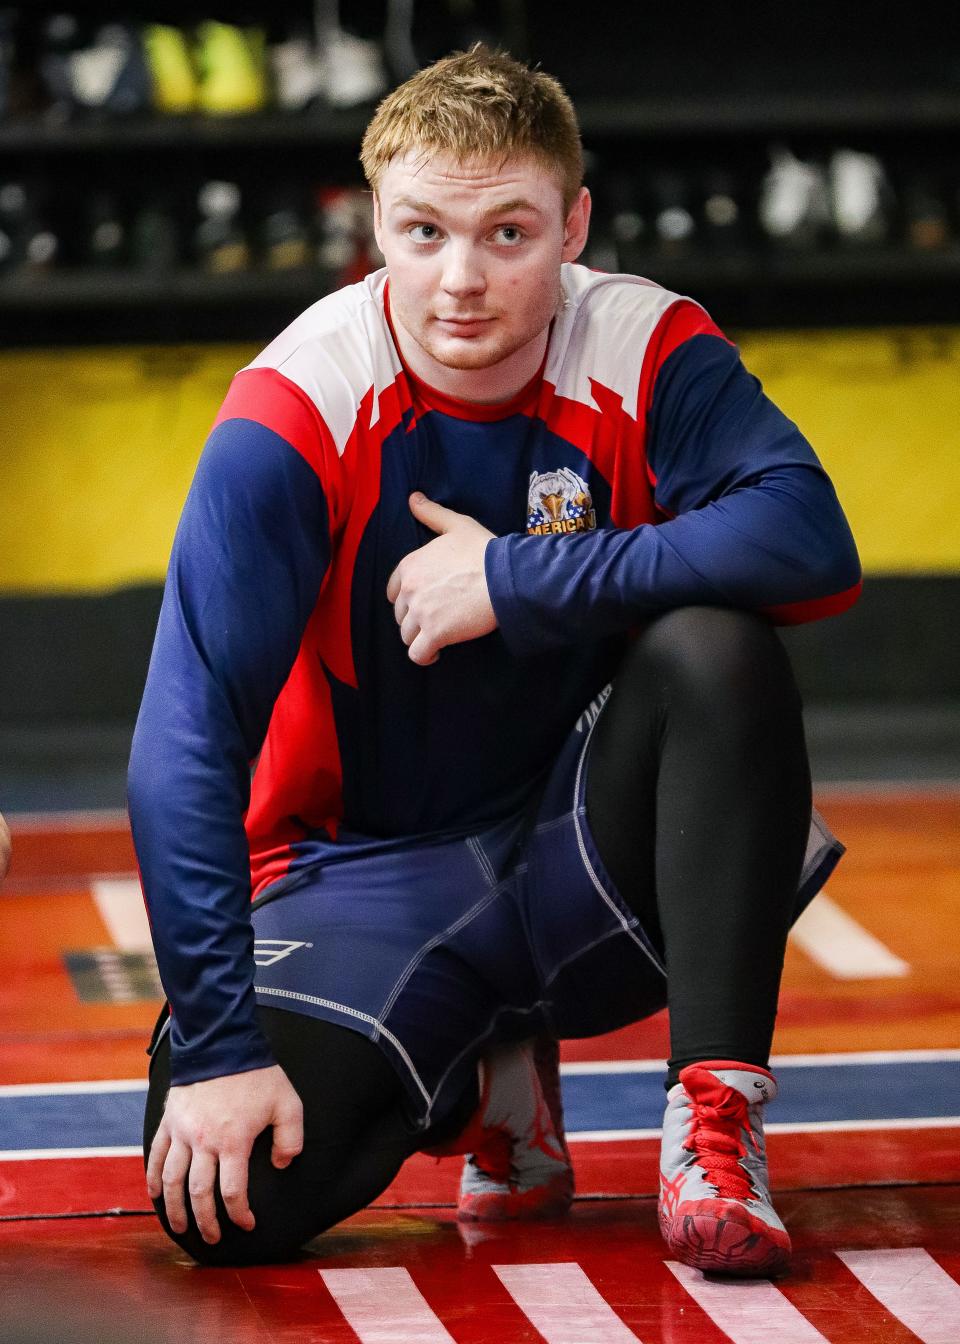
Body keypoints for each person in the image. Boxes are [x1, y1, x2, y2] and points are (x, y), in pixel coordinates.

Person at [129, 45, 861, 1276]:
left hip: (578, 853)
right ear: (374, 228)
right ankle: (482, 1075)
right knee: (227, 1198)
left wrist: (519, 578)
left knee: (720, 645)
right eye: (422, 233)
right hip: (356, 874)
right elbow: (184, 744)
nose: (461, 282)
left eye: (509, 233)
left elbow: (812, 544)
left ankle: (714, 1123)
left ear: (573, 225)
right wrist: (214, 1051)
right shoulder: (297, 409)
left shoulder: (641, 344)